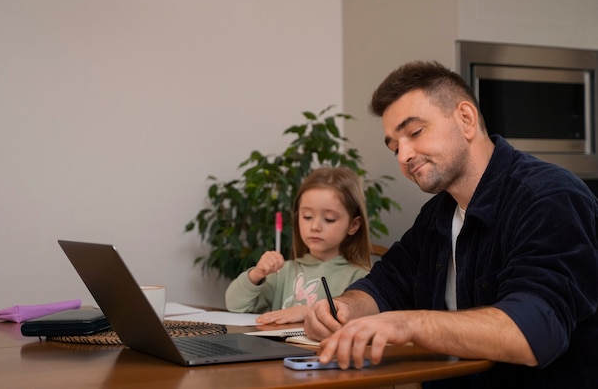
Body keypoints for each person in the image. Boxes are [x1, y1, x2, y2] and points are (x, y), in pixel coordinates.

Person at [304, 61, 598, 388]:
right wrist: (344, 308)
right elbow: (388, 284)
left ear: (466, 119)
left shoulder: (550, 197)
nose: (404, 155)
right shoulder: (437, 215)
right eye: (394, 147)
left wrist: (409, 325)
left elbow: (532, 331)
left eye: (414, 132)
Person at [225, 166, 372, 325]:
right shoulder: (283, 272)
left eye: (329, 219)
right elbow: (235, 305)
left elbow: (361, 324)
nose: (315, 226)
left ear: (353, 225)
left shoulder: (361, 278)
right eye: (307, 216)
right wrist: (256, 274)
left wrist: (308, 311)